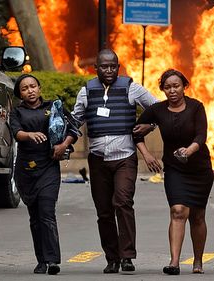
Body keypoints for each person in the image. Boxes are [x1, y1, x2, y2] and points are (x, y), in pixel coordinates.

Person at [71, 49, 157, 273]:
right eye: (104, 66)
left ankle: (127, 256)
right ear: (96, 68)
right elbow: (76, 120)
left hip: (124, 158)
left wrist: (150, 125)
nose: (109, 70)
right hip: (98, 160)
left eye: (113, 66)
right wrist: (60, 140)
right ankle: (112, 258)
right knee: (104, 211)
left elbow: (158, 109)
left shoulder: (131, 88)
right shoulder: (86, 91)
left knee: (122, 202)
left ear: (118, 68)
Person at [135, 69, 214, 275]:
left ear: (184, 86)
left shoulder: (196, 107)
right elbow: (135, 132)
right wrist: (147, 155)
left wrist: (189, 151)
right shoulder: (157, 110)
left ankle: (198, 261)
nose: (172, 90)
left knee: (197, 216)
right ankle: (174, 262)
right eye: (167, 87)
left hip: (199, 169)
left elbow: (201, 135)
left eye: (176, 86)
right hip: (175, 169)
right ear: (162, 89)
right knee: (178, 210)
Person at [9, 74, 77, 275]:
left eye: (33, 86)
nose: (30, 90)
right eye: (24, 88)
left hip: (49, 166)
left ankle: (53, 260)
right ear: (20, 94)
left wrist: (63, 145)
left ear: (39, 88)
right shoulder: (17, 112)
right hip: (26, 170)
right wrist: (29, 135)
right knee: (35, 217)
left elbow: (73, 128)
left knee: (47, 212)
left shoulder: (53, 106)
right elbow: (16, 133)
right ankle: (41, 260)